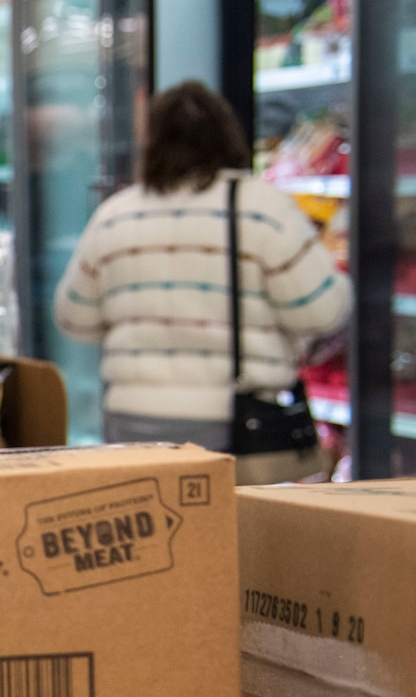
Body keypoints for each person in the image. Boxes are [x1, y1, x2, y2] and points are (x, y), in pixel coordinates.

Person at [55, 80, 350, 471]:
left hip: (131, 426)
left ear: (152, 142)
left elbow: (73, 317)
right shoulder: (262, 209)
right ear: (229, 136)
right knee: (236, 530)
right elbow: (324, 311)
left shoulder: (115, 215)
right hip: (235, 426)